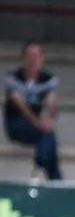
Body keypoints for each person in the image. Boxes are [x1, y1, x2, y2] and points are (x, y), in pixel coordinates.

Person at [3, 42, 61, 181]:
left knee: (49, 138)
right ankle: (54, 178)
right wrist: (38, 122)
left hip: (36, 128)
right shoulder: (13, 78)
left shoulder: (49, 80)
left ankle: (44, 172)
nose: (33, 60)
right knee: (47, 135)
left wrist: (50, 120)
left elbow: (52, 101)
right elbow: (20, 104)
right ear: (24, 59)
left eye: (36, 56)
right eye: (29, 56)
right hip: (16, 124)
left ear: (42, 59)